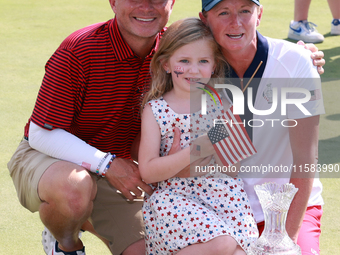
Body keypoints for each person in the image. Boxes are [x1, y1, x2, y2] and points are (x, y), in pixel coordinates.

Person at [6, 0, 326, 254]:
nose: (147, 7)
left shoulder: (182, 54)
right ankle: (65, 243)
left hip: (179, 183)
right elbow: (41, 133)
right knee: (74, 190)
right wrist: (111, 163)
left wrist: (301, 55)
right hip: (63, 155)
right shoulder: (81, 49)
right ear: (113, 1)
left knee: (148, 250)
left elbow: (230, 147)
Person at [200, 0, 324, 254]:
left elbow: (305, 160)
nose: (236, 22)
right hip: (222, 209)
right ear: (204, 19)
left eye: (245, 10)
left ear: (259, 15)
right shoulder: (192, 66)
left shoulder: (295, 63)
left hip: (289, 205)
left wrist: (283, 241)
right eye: (223, 12)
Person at [139, 17, 258, 255]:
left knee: (239, 252)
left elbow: (233, 167)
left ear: (214, 65)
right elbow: (149, 171)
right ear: (166, 64)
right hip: (176, 201)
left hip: (225, 198)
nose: (194, 70)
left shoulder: (222, 104)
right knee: (222, 244)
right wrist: (196, 150)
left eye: (203, 61)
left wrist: (213, 158)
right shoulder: (156, 110)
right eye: (184, 61)